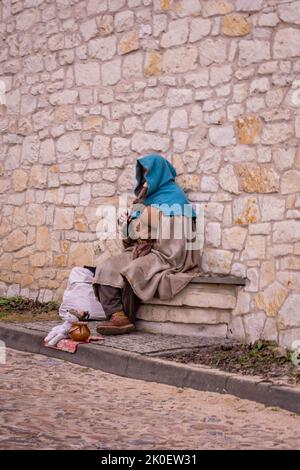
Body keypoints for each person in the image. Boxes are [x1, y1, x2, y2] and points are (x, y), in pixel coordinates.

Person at [93, 154, 201, 335]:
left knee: (134, 271)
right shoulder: (143, 200)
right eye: (142, 173)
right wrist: (128, 226)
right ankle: (116, 315)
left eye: (148, 173)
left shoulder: (175, 198)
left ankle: (126, 318)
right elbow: (130, 239)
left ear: (159, 173)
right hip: (138, 249)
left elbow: (178, 242)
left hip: (163, 252)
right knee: (107, 267)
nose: (145, 178)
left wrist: (155, 225)